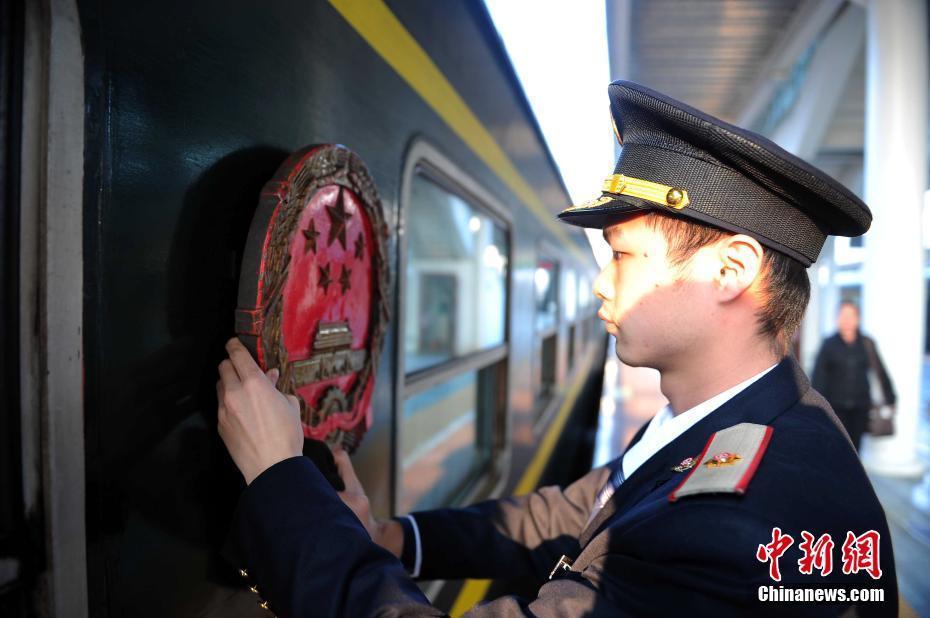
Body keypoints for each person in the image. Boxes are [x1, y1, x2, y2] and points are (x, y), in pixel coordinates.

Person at [216, 81, 898, 616]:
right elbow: (578, 510)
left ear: (731, 271)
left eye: (625, 255)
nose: (600, 284)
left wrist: (283, 487)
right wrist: (394, 538)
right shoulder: (725, 425)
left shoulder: (752, 518)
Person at [812, 302, 896, 451]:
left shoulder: (867, 343)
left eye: (850, 316)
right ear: (837, 318)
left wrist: (891, 398)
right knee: (835, 449)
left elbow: (880, 371)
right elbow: (819, 378)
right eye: (843, 315)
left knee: (855, 449)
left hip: (860, 408)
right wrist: (817, 407)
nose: (846, 319)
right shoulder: (828, 344)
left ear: (858, 319)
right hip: (834, 409)